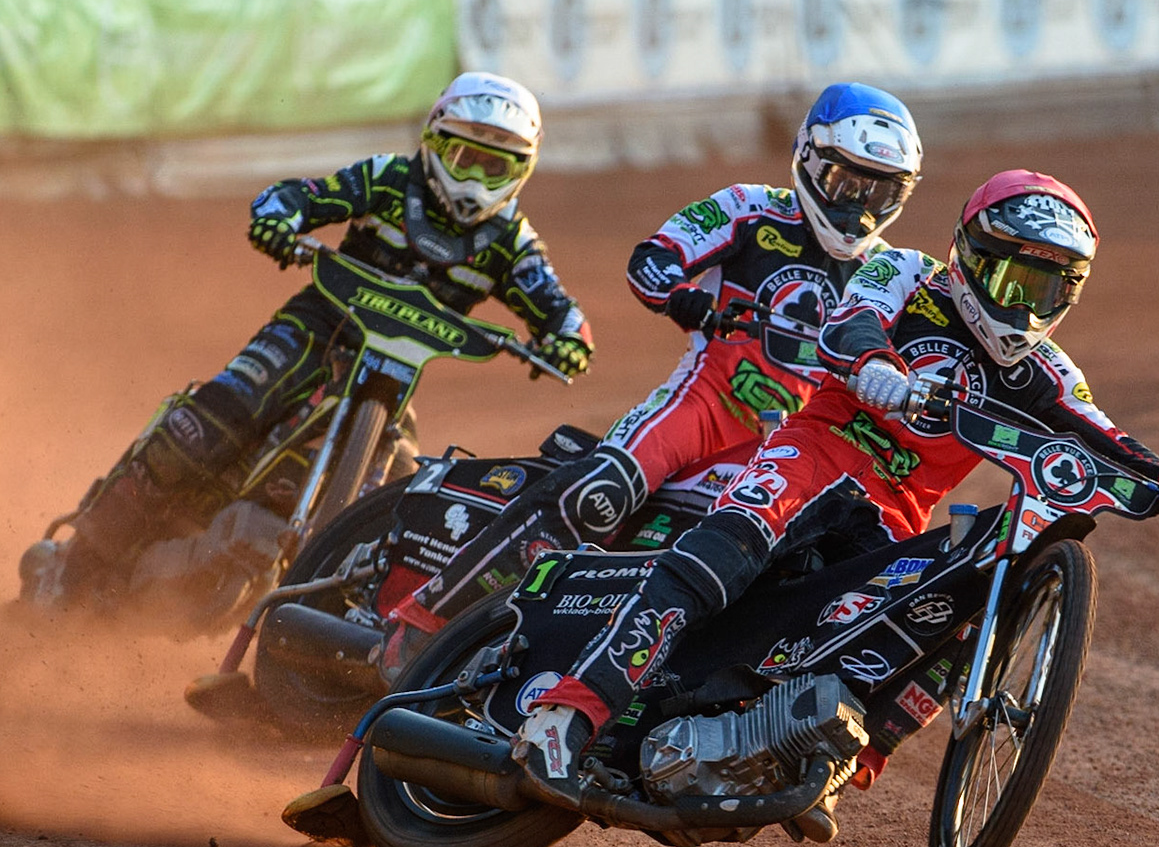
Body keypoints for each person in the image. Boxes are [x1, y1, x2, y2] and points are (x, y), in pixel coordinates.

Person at [511, 170, 1159, 840]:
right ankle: (567, 713)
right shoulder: (910, 275)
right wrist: (874, 364)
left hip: (892, 513)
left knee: (949, 610)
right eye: (1016, 279)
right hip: (817, 449)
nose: (1027, 305)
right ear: (974, 258)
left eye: (1049, 290)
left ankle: (832, 759)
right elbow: (852, 319)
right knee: (719, 556)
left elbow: (1104, 437)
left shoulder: (1048, 371)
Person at [370, 83, 924, 676]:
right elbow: (653, 258)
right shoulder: (750, 207)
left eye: (880, 192)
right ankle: (420, 620)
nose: (857, 208)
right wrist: (681, 297)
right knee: (599, 494)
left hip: (791, 442)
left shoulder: (886, 272)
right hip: (703, 405)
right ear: (811, 162)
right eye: (847, 185)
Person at [24, 72, 594, 608]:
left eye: (494, 167)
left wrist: (567, 340)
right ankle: (79, 559)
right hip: (318, 328)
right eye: (464, 156)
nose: (473, 179)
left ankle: (309, 632)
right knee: (206, 423)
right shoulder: (389, 180)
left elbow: (561, 310)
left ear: (521, 170)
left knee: (400, 491)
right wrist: (280, 218)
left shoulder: (513, 244)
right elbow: (301, 195)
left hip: (390, 375)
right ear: (433, 143)